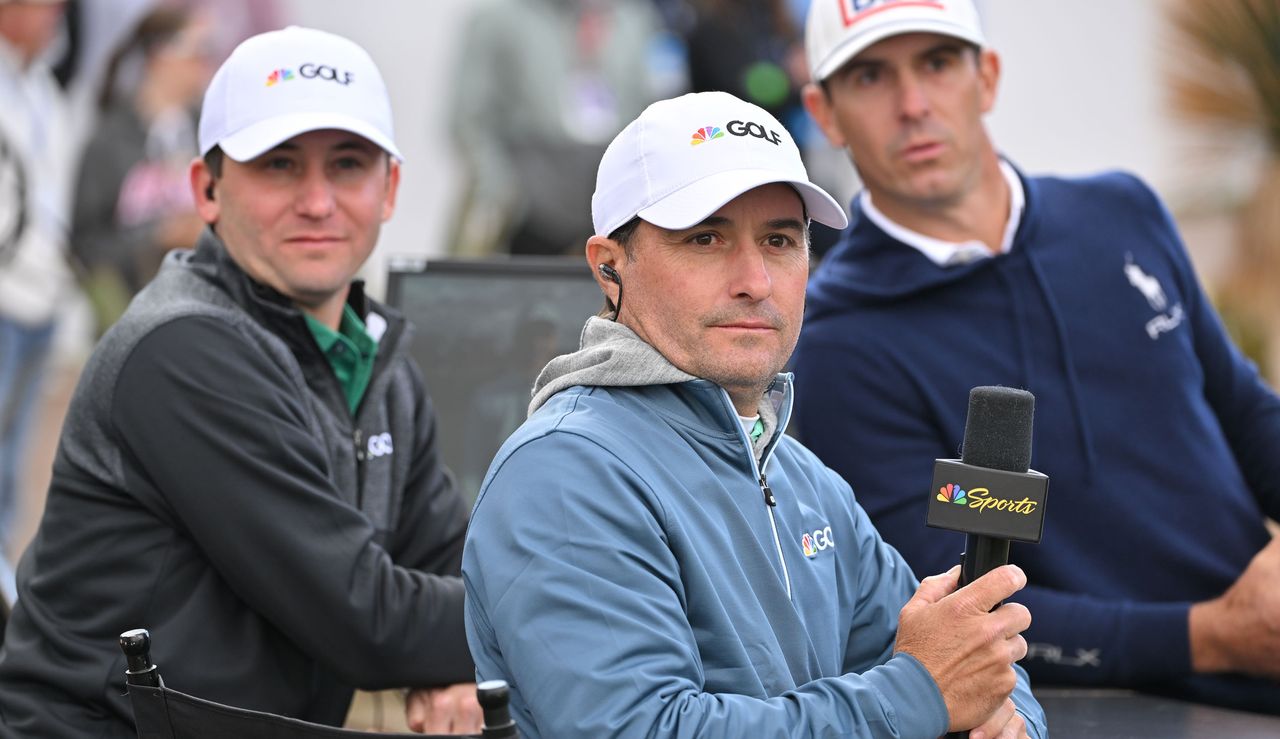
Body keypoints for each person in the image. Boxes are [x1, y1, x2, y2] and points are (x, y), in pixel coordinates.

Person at [463, 90, 1047, 738]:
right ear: (609, 265)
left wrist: (1005, 718)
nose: (754, 279)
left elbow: (966, 658)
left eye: (778, 239)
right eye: (706, 237)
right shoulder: (563, 472)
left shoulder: (807, 481)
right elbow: (642, 729)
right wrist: (917, 694)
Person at [793, 0, 1280, 715]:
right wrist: (1214, 636)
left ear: (986, 76)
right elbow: (949, 607)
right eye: (870, 76)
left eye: (937, 62)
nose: (913, 104)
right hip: (1136, 705)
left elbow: (1242, 408)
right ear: (825, 112)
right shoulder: (839, 340)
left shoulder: (1122, 211)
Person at [0, 26, 480, 737]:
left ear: (390, 189)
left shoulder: (374, 353)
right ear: (208, 190)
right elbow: (364, 618)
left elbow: (450, 560)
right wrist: (555, 619)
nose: (317, 201)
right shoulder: (183, 350)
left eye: (347, 164)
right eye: (280, 166)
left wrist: (461, 664)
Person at [70, 4, 213, 335]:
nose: (206, 64)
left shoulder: (208, 133)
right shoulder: (109, 139)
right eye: (199, 50)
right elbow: (84, 245)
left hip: (202, 313)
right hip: (128, 318)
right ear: (161, 55)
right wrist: (158, 236)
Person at [0, 0, 75, 606]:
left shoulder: (44, 87)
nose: (55, 15)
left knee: (16, 464)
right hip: (3, 298)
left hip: (41, 299)